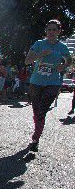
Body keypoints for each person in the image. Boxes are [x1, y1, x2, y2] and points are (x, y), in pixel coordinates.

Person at [25, 19, 72, 152]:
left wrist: (63, 66)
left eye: (54, 30)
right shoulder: (39, 44)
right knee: (36, 111)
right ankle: (37, 132)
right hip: (36, 82)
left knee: (42, 111)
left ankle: (35, 139)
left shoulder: (62, 47)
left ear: (58, 32)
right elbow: (27, 61)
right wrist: (41, 55)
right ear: (46, 31)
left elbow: (69, 60)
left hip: (52, 83)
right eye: (49, 29)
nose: (51, 32)